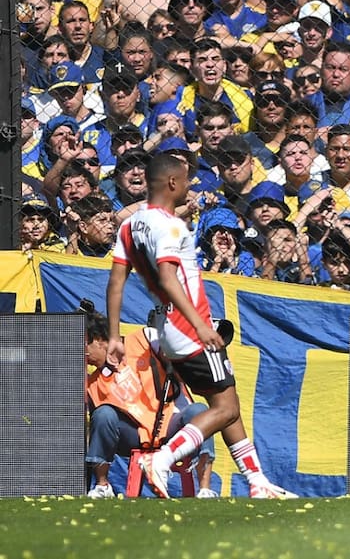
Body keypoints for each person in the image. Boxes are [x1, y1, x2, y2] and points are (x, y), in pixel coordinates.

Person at [106, 152, 296, 499]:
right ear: (173, 183)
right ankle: (162, 459)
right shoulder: (171, 226)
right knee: (225, 409)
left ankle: (257, 482)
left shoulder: (130, 226)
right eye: (187, 179)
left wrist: (114, 335)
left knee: (227, 405)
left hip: (167, 329)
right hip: (189, 326)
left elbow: (116, 282)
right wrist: (201, 325)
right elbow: (168, 277)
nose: (191, 185)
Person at [82, 301, 217, 499]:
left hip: (171, 422)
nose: (83, 353)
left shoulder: (143, 338)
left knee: (199, 412)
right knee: (103, 415)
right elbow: (97, 426)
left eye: (84, 344)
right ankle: (103, 486)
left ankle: (205, 489)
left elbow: (171, 350)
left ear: (100, 340)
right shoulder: (92, 382)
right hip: (134, 435)